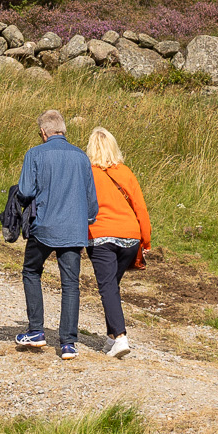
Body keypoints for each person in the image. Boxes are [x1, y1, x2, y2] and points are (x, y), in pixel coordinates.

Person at [10, 108, 93, 355]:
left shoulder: (35, 154)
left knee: (31, 270)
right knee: (70, 284)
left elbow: (25, 192)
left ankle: (36, 330)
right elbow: (91, 200)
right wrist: (87, 220)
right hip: (74, 228)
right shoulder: (81, 157)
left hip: (44, 226)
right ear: (63, 131)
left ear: (43, 132)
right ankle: (68, 343)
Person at [79, 126, 151, 359]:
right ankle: (112, 338)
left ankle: (120, 337)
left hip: (100, 236)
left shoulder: (87, 172)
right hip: (131, 237)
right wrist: (145, 240)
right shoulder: (125, 172)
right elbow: (140, 206)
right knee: (112, 286)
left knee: (108, 287)